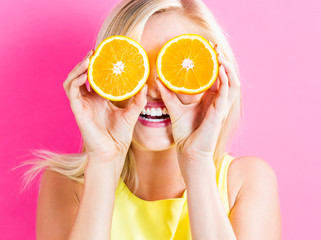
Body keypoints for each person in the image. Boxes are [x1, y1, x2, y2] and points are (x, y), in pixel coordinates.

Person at [21, 0, 281, 239]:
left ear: (214, 83)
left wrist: (197, 161)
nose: (154, 90)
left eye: (177, 68)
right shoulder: (64, 185)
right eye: (136, 68)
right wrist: (103, 161)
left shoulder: (246, 181)